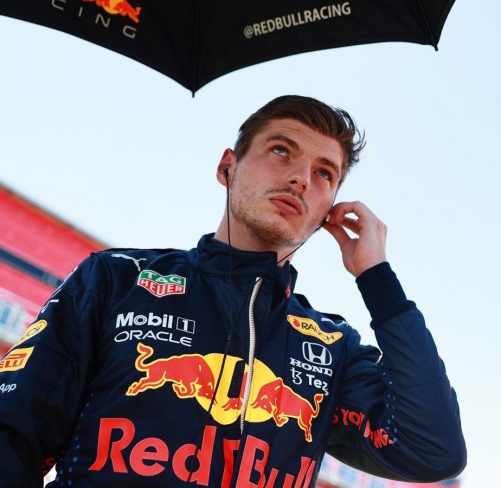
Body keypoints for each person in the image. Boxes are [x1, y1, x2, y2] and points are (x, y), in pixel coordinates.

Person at [0, 95, 467, 487]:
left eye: (324, 173)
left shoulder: (332, 349)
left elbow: (433, 450)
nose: (301, 178)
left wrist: (378, 279)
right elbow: (13, 434)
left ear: (329, 210)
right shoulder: (116, 279)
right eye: (281, 150)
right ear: (228, 167)